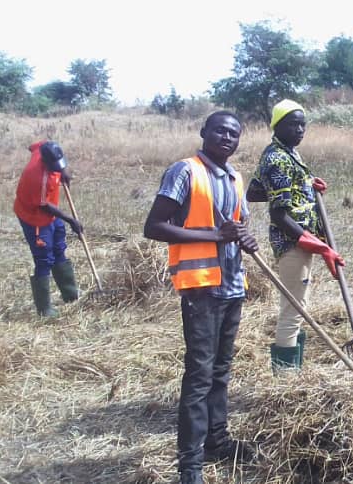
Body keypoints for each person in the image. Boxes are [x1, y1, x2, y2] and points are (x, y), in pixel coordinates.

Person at [143, 111, 259, 484]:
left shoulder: (235, 177)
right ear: (203, 132)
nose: (227, 137)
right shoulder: (185, 171)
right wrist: (215, 235)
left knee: (221, 372)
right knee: (199, 376)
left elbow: (237, 226)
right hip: (201, 287)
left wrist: (245, 238)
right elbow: (155, 227)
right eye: (220, 131)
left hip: (232, 285)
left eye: (234, 133)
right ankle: (190, 465)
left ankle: (218, 441)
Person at [246, 99, 344, 372]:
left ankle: (293, 370)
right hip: (292, 242)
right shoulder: (277, 158)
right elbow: (279, 216)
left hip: (300, 241)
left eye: (303, 124)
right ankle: (286, 379)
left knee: (298, 305)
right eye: (293, 124)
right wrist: (321, 247)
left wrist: (305, 184)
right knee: (294, 311)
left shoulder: (287, 153)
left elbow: (254, 191)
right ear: (277, 126)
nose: (300, 129)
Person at [13, 140, 82, 317]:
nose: (57, 169)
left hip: (51, 216)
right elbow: (44, 206)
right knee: (44, 258)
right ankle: (45, 309)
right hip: (35, 218)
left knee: (59, 249)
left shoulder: (43, 149)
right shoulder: (36, 177)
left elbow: (37, 144)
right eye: (55, 167)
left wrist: (64, 170)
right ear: (45, 162)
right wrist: (70, 220)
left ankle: (70, 294)